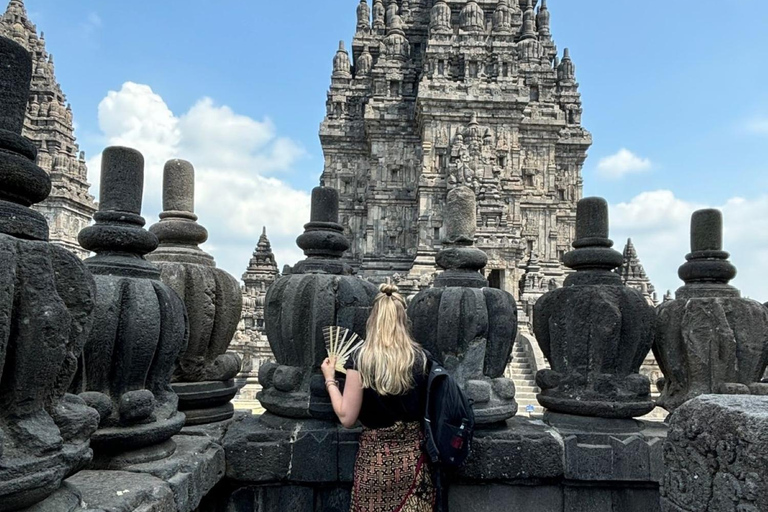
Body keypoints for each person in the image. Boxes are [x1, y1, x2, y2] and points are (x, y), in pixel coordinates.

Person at [321, 283, 435, 512]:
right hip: (413, 463)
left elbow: (346, 417)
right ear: (404, 320)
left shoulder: (361, 359)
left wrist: (330, 380)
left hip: (374, 465)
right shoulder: (422, 359)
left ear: (372, 320)